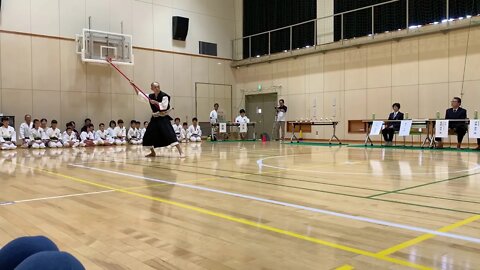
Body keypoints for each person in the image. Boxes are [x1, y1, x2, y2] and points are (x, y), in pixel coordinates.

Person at [141, 82, 185, 158]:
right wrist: (133, 85)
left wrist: (155, 102)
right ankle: (152, 152)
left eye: (158, 86)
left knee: (170, 134)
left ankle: (181, 152)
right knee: (148, 135)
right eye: (155, 87)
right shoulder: (150, 96)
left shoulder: (164, 96)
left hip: (163, 118)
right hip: (155, 119)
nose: (157, 88)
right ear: (152, 88)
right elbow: (141, 95)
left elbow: (164, 107)